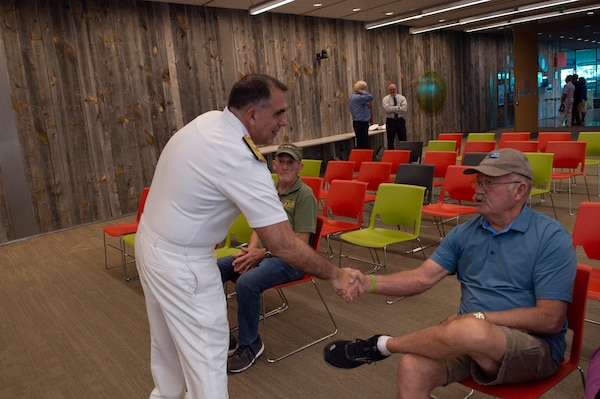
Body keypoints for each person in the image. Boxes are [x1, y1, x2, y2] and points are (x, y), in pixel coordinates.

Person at [135, 74, 363, 399]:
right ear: (252, 115)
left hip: (153, 243)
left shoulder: (207, 123)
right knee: (207, 356)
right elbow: (283, 243)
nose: (284, 122)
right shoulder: (241, 158)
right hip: (181, 261)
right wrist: (336, 274)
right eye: (279, 113)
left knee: (168, 344)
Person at [324, 148, 577, 399]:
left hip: (534, 348)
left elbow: (550, 319)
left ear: (519, 190)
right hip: (469, 340)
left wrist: (479, 318)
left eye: (489, 183)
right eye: (478, 182)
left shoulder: (549, 237)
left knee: (468, 328)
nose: (478, 190)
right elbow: (422, 278)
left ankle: (381, 345)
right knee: (412, 367)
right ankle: (391, 344)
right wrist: (366, 282)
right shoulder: (464, 234)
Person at [219, 142, 317, 373]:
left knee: (247, 282)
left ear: (300, 167)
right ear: (273, 165)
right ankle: (223, 336)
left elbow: (300, 244)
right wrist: (249, 252)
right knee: (211, 270)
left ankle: (250, 343)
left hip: (290, 261)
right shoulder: (270, 190)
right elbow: (258, 228)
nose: (284, 166)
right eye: (280, 161)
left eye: (290, 162)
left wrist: (262, 253)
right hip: (262, 255)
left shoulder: (305, 196)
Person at [349, 80, 374, 149]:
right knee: (363, 142)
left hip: (357, 122)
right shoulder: (359, 98)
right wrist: (363, 92)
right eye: (363, 89)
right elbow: (371, 97)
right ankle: (364, 157)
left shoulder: (352, 97)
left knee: (361, 141)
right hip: (361, 122)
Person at [382, 83, 408, 150]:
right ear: (388, 90)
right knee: (390, 140)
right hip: (390, 121)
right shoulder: (385, 99)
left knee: (403, 139)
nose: (392, 91)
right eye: (391, 89)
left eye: (393, 89)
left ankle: (404, 154)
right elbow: (387, 110)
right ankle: (391, 156)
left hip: (400, 120)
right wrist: (397, 107)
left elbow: (404, 109)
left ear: (396, 89)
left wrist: (392, 108)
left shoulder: (402, 98)